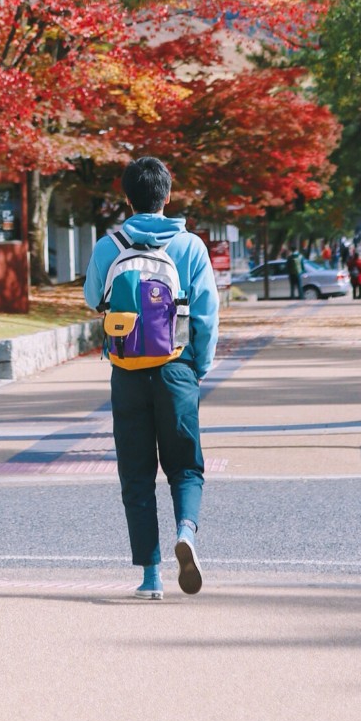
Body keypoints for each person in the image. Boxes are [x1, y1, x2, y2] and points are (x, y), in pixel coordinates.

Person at [84, 155, 220, 599]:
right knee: (185, 464)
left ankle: (150, 577)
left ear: (127, 196)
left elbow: (92, 298)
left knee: (136, 474)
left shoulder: (109, 246)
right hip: (176, 366)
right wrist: (197, 367)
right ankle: (186, 532)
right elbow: (207, 315)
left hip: (126, 370)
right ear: (168, 193)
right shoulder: (190, 246)